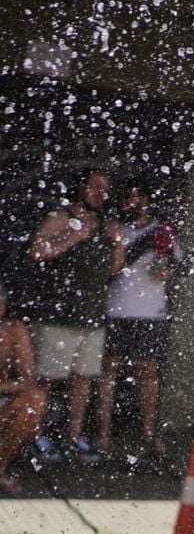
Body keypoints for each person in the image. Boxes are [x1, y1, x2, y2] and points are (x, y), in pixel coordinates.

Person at [26, 169, 125, 463]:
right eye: (95, 186)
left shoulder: (107, 225)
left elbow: (114, 269)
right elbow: (36, 251)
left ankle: (73, 437)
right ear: (81, 187)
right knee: (46, 379)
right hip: (59, 314)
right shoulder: (61, 217)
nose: (100, 193)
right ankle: (35, 436)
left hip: (92, 316)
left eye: (105, 188)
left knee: (83, 380)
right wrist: (73, 235)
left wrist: (118, 243)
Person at [96, 185, 182, 458]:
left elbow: (180, 265)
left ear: (147, 199)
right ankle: (102, 435)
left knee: (148, 373)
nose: (130, 201)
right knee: (108, 371)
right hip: (115, 310)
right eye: (125, 196)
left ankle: (148, 435)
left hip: (150, 312)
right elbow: (101, 266)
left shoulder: (163, 230)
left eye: (135, 196)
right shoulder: (112, 228)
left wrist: (167, 270)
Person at [0, 281, 48, 493]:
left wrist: (10, 387)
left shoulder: (13, 330)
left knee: (34, 400)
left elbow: (28, 380)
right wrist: (11, 386)